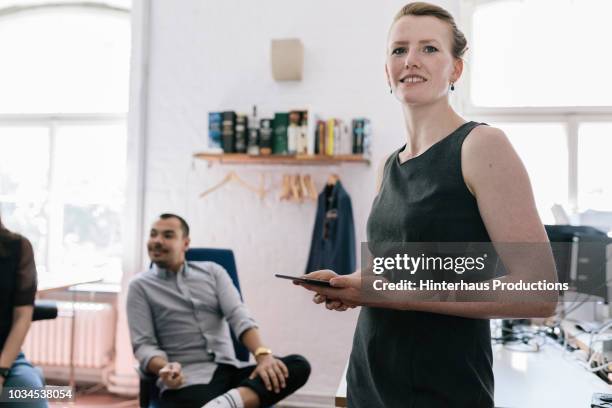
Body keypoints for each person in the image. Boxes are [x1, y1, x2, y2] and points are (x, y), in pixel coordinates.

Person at [296, 2, 558, 408]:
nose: (411, 60)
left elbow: (537, 293)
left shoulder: (482, 146)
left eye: (429, 49)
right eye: (398, 50)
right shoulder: (389, 165)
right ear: (386, 69)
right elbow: (397, 271)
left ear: (456, 69)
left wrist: (385, 292)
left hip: (443, 390)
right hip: (370, 378)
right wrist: (352, 284)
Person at [127, 214, 310, 408]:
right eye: (153, 234)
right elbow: (144, 345)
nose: (156, 241)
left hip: (232, 371)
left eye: (168, 235)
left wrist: (263, 357)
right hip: (187, 380)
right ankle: (233, 402)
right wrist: (164, 367)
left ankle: (225, 404)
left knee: (298, 365)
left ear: (185, 243)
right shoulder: (139, 286)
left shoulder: (213, 272)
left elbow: (238, 316)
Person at [0, 216, 48, 408]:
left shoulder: (19, 247)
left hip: (6, 357)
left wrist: (1, 372)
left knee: (30, 399)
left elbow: (22, 318)